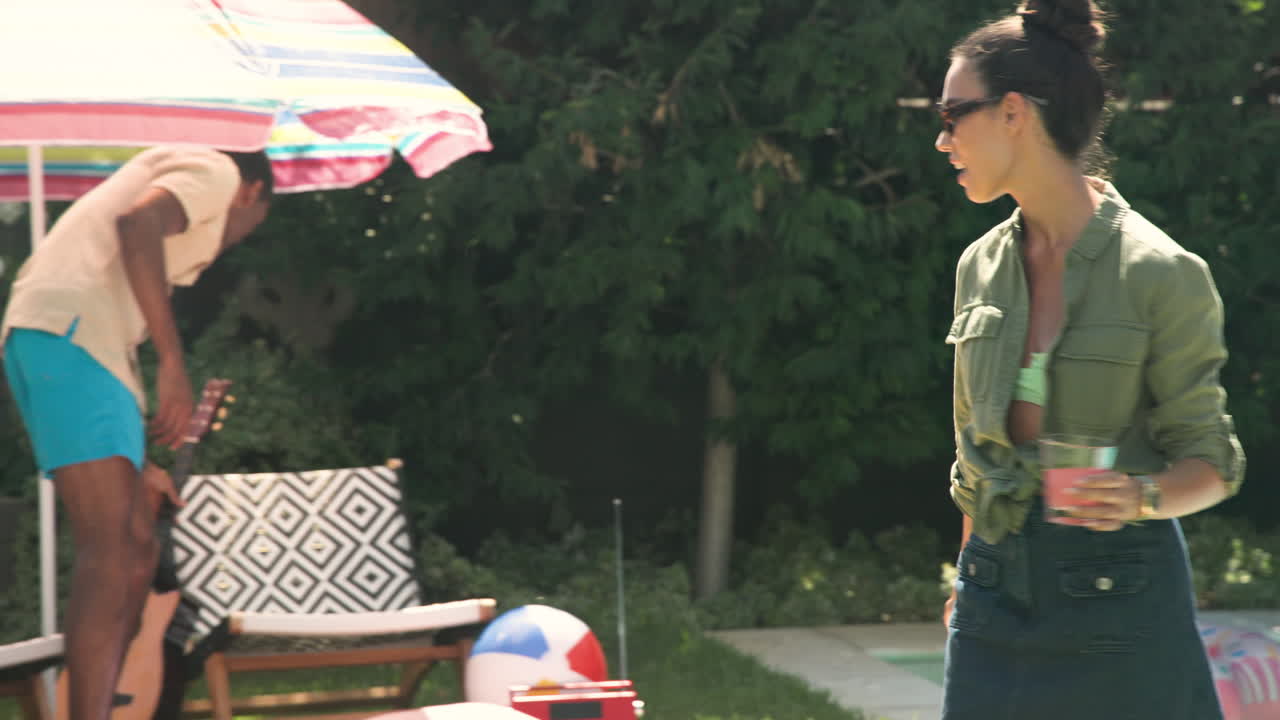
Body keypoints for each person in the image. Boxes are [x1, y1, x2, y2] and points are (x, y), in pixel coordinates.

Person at [935, 1, 1245, 718]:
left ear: (1013, 112)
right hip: (991, 598)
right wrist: (965, 581)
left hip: (1121, 604)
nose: (942, 140)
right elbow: (974, 457)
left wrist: (1140, 497)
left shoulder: (1161, 272)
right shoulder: (978, 266)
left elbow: (1212, 461)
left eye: (954, 114)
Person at [1, 146, 272, 720]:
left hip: (82, 344)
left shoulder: (167, 230)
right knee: (114, 546)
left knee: (138, 546)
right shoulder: (218, 169)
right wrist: (174, 361)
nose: (240, 236)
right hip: (71, 334)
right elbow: (137, 223)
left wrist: (143, 465)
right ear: (252, 192)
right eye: (254, 223)